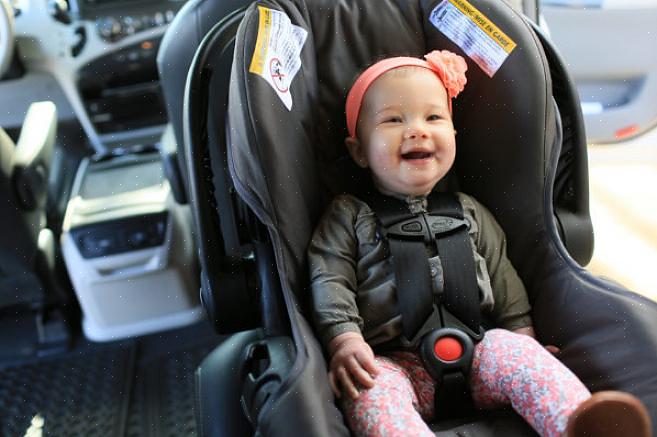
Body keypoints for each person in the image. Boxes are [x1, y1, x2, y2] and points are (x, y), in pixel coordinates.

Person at [307, 50, 651, 437]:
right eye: (392, 120)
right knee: (369, 392)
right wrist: (344, 339)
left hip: (480, 350)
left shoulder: (468, 211)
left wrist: (524, 336)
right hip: (391, 362)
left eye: (433, 117)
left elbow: (503, 276)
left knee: (520, 357)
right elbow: (329, 278)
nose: (417, 129)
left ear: (453, 136)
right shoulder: (347, 215)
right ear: (358, 150)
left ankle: (575, 423)